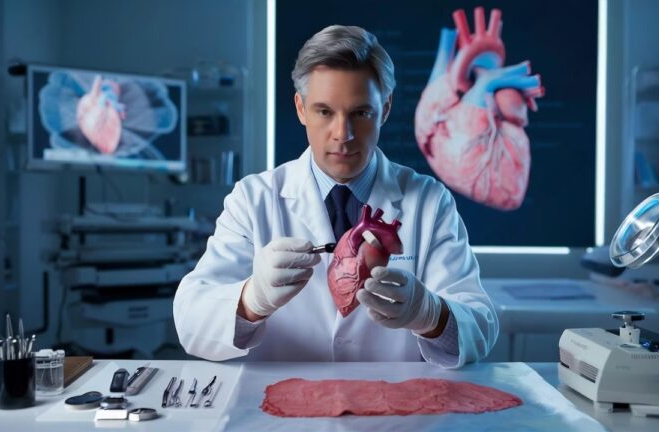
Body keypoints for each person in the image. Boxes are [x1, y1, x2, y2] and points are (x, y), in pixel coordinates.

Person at [173, 25, 498, 368]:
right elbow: (191, 321)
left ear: (385, 109)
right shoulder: (253, 200)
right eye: (324, 111)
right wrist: (251, 300)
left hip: (395, 414)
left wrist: (429, 313)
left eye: (360, 113)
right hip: (283, 417)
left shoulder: (431, 203)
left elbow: (480, 328)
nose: (342, 134)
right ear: (301, 109)